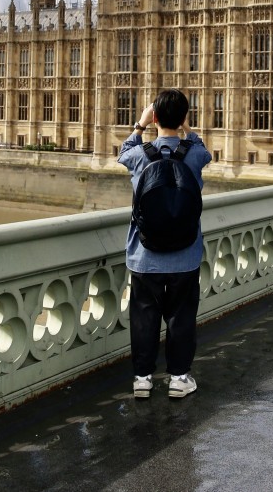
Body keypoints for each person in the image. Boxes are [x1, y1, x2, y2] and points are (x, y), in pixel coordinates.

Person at [118, 89, 212, 399]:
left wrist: (140, 125)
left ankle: (143, 379)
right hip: (185, 254)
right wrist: (185, 128)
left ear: (155, 117)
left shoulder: (139, 154)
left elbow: (123, 151)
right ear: (184, 118)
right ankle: (179, 378)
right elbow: (203, 149)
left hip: (145, 254)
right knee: (181, 318)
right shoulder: (194, 155)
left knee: (144, 317)